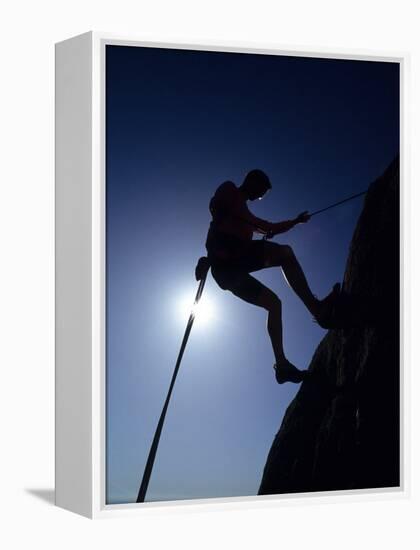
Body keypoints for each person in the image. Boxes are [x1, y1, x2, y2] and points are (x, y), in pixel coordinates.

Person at [205, 169, 338, 384]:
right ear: (251, 182)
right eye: (261, 192)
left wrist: (295, 221)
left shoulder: (247, 216)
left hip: (229, 270)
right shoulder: (230, 190)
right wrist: (211, 252)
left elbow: (269, 227)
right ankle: (317, 309)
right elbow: (216, 207)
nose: (259, 197)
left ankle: (282, 365)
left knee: (274, 304)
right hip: (226, 260)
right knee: (285, 253)